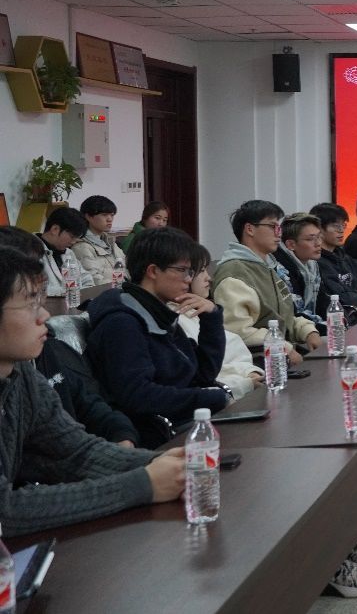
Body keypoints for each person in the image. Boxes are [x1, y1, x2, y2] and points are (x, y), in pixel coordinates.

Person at [0, 246, 187, 536]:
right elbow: (5, 513)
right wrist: (143, 484)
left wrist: (162, 464)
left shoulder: (21, 375)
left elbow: (77, 452)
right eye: (30, 304)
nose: (44, 315)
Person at [86, 228, 229, 448]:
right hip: (159, 436)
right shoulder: (122, 323)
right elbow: (137, 395)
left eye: (190, 271)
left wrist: (211, 317)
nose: (188, 279)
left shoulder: (158, 312)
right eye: (182, 270)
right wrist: (209, 398)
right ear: (152, 271)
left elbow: (202, 374)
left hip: (184, 423)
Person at [0, 227, 139, 447]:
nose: (44, 314)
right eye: (30, 299)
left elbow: (87, 415)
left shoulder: (46, 354)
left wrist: (123, 436)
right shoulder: (21, 368)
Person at [211, 200, 319, 362]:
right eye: (272, 226)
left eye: (279, 227)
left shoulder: (266, 267)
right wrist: (285, 347)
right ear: (250, 229)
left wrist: (307, 330)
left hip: (281, 354)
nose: (279, 233)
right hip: (258, 362)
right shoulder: (234, 273)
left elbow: (282, 317)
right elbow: (237, 332)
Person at [177, 242, 262, 400]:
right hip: (222, 397)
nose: (208, 278)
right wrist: (245, 382)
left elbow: (234, 350)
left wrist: (250, 372)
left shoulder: (200, 313)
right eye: (201, 271)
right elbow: (208, 373)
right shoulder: (178, 320)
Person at [311, 202, 357, 323]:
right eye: (336, 226)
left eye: (343, 225)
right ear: (319, 229)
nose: (341, 230)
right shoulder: (317, 262)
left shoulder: (342, 255)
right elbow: (341, 297)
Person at [273, 213, 325, 331]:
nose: (318, 243)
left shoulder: (312, 266)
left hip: (310, 328)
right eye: (310, 239)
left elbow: (323, 302)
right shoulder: (280, 270)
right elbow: (294, 312)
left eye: (319, 237)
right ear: (291, 244)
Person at [71, 194, 128, 288]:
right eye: (104, 215)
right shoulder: (81, 246)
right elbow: (95, 280)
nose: (110, 219)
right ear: (88, 216)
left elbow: (126, 270)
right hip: (105, 294)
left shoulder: (111, 242)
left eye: (112, 215)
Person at [38, 206, 89, 297]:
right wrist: (68, 291)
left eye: (77, 238)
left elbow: (86, 279)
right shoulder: (29, 252)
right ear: (55, 229)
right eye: (72, 237)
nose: (73, 242)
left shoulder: (69, 253)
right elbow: (32, 288)